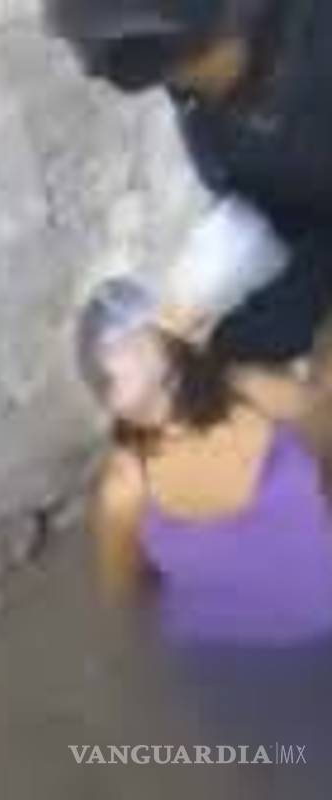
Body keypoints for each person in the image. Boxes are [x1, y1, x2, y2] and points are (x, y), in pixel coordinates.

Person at [81, 275, 332, 797]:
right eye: (112, 352)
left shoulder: (250, 391)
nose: (125, 351)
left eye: (131, 336)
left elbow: (321, 421)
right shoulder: (126, 487)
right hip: (236, 664)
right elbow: (126, 586)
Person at [47, 0, 332, 366]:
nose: (184, 88)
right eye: (172, 80)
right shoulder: (213, 130)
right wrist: (223, 332)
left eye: (182, 73)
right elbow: (290, 224)